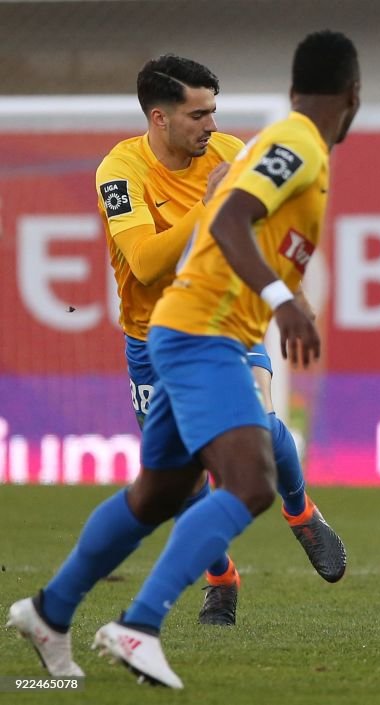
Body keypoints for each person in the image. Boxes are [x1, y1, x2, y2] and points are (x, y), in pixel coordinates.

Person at [7, 30, 360, 687]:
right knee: (191, 486)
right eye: (198, 114)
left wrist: (290, 296)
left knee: (182, 481)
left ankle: (51, 611)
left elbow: (262, 237)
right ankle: (155, 614)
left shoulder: (240, 150)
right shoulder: (125, 168)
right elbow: (147, 259)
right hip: (169, 332)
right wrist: (270, 280)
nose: (211, 126)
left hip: (220, 326)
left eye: (214, 112)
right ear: (158, 117)